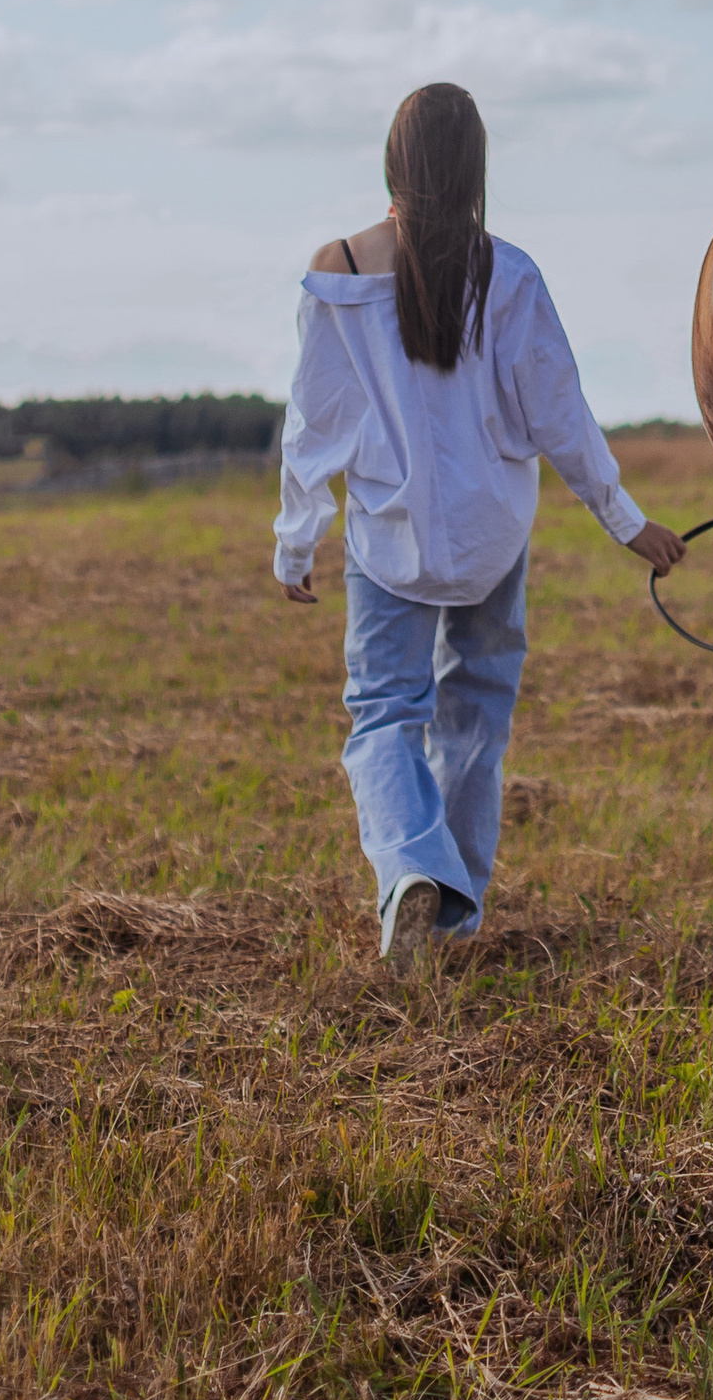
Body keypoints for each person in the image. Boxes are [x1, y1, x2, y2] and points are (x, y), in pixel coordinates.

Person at [274, 79, 688, 969]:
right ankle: (452, 918)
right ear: (477, 168)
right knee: (475, 720)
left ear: (392, 162)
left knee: (384, 713)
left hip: (388, 537)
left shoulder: (340, 268)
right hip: (494, 536)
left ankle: (412, 872)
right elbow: (560, 418)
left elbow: (317, 418)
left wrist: (297, 532)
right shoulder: (512, 273)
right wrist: (627, 521)